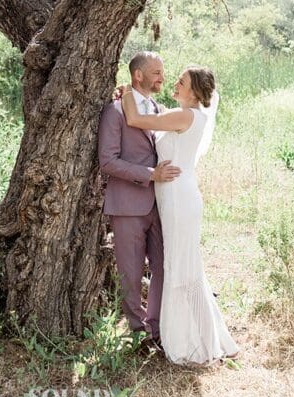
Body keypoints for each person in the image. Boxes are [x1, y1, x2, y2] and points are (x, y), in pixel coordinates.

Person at [121, 65, 239, 367]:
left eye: (181, 81)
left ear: (195, 90)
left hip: (178, 197)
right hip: (175, 193)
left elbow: (135, 119)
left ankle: (195, 339)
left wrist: (126, 91)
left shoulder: (187, 116)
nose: (175, 83)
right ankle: (203, 333)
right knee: (182, 265)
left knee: (181, 266)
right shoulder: (182, 114)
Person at [97, 51, 181, 346]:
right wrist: (150, 174)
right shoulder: (116, 111)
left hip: (160, 205)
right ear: (138, 75)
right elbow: (107, 161)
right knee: (130, 273)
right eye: (157, 72)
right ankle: (137, 332)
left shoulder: (158, 109)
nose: (162, 77)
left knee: (163, 267)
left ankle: (157, 327)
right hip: (127, 204)